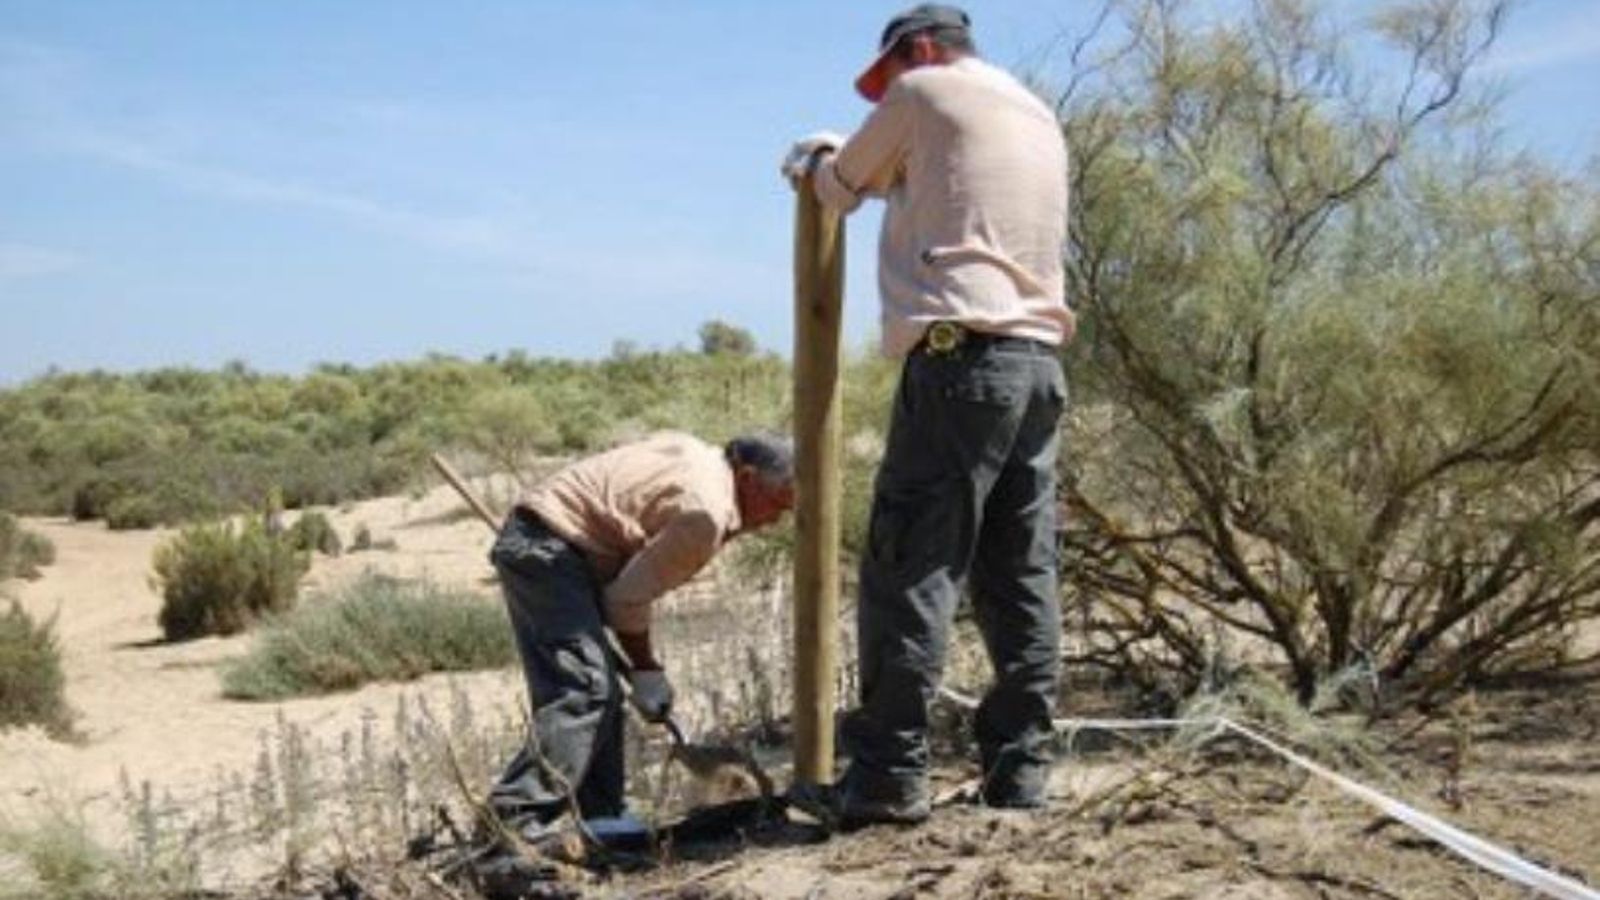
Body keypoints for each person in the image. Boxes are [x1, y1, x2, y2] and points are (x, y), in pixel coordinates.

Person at [783, 4, 1074, 826]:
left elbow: (839, 188)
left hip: (960, 363)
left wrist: (813, 157)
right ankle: (1020, 774)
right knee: (1020, 574)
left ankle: (886, 778)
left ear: (917, 51)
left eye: (888, 79)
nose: (887, 95)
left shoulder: (925, 94)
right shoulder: (1035, 112)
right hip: (1038, 365)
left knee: (910, 568)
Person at [483, 430, 795, 842]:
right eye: (776, 504)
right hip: (551, 552)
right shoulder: (705, 515)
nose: (773, 520)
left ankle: (603, 817)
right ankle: (509, 826)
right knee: (586, 690)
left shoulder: (696, 452)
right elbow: (627, 602)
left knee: (598, 687)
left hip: (551, 539)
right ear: (749, 477)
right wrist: (647, 670)